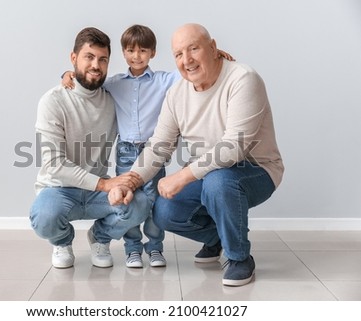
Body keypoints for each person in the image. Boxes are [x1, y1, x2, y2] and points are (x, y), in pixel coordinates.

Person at [108, 23, 284, 286]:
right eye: (179, 54)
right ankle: (216, 239)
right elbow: (159, 145)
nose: (187, 59)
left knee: (218, 181)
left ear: (213, 48)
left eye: (194, 49)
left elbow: (232, 148)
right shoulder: (177, 93)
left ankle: (239, 258)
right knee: (163, 210)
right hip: (209, 173)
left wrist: (181, 176)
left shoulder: (243, 79)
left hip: (256, 170)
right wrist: (129, 181)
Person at [62, 24, 233, 269]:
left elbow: (194, 67)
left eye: (143, 51)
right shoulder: (114, 83)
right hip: (125, 152)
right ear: (123, 54)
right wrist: (66, 74)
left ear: (152, 53)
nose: (137, 56)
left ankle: (154, 248)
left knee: (154, 202)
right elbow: (88, 77)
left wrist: (216, 54)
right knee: (127, 200)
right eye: (131, 51)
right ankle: (132, 249)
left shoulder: (166, 80)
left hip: (153, 153)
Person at [29, 27, 151, 269]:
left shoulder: (114, 99)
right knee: (44, 216)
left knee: (140, 204)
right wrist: (107, 184)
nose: (96, 65)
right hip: (59, 190)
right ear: (73, 59)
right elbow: (55, 166)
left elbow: (148, 89)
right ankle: (62, 241)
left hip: (97, 191)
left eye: (103, 59)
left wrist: (208, 59)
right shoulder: (53, 101)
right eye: (89, 57)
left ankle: (100, 238)